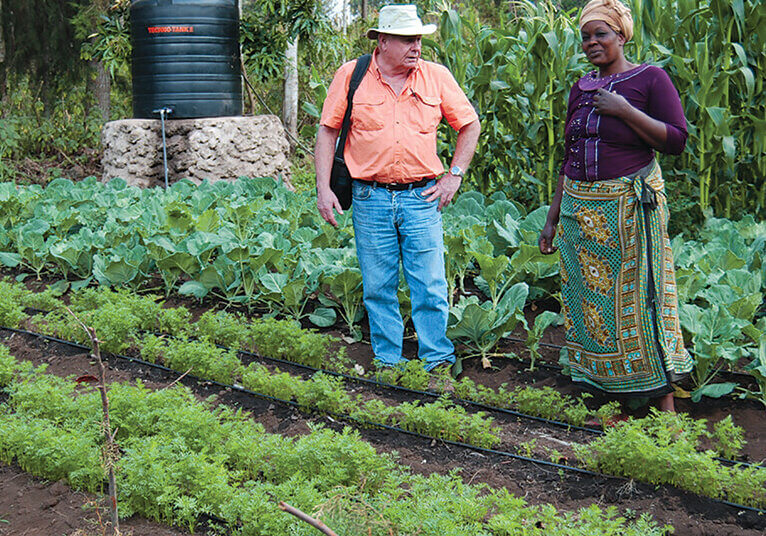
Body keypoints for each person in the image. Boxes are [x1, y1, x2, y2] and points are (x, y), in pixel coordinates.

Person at [538, 0, 692, 412]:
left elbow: (676, 140)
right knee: (593, 308)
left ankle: (666, 413)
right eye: (586, 36)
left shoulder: (650, 79)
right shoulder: (581, 87)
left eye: (600, 34)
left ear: (621, 36)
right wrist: (552, 218)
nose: (592, 43)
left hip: (629, 211)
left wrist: (624, 110)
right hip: (582, 214)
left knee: (643, 302)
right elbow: (569, 156)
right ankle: (614, 406)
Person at [315, 4, 480, 379]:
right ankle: (389, 363)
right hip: (370, 197)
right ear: (383, 41)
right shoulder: (352, 76)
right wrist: (323, 188)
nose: (416, 46)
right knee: (378, 286)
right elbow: (328, 131)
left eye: (418, 39)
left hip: (421, 197)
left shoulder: (435, 77)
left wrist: (454, 175)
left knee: (431, 284)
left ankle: (436, 360)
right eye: (407, 39)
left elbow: (469, 125)